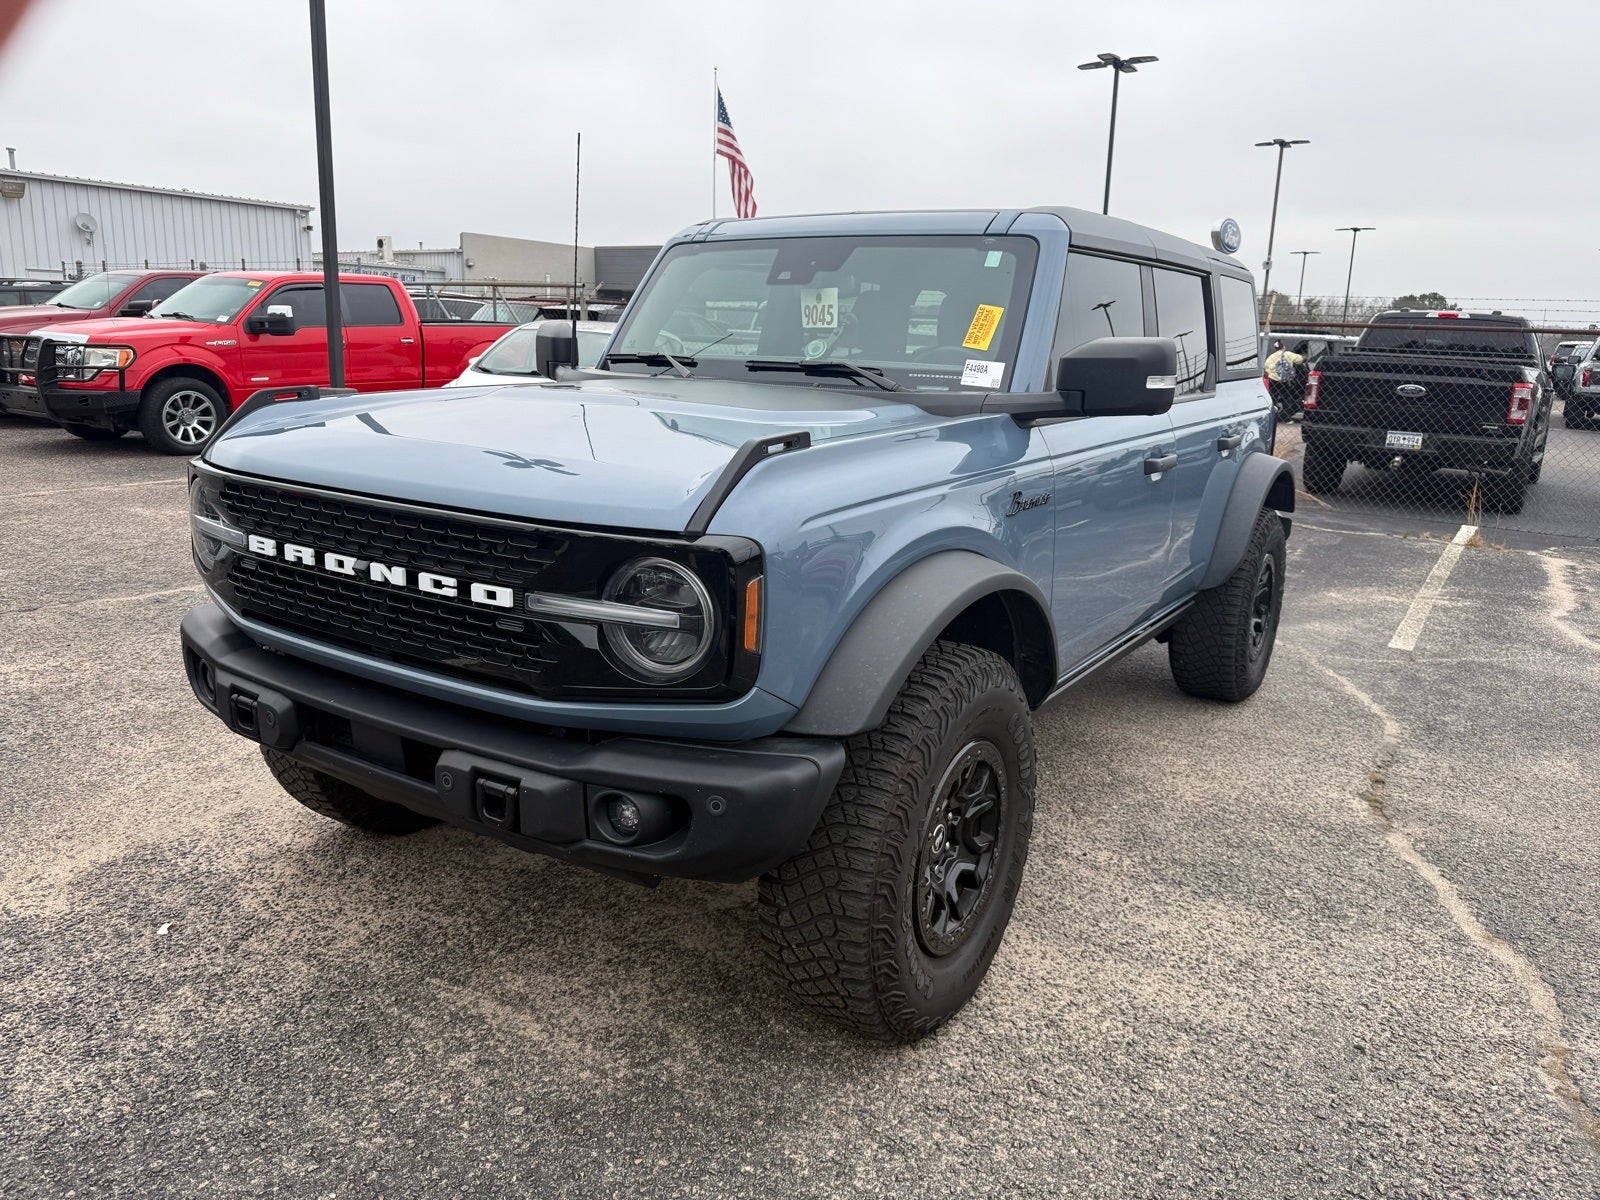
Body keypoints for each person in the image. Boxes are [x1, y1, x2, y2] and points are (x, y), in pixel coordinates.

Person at [1263, 339, 1308, 420]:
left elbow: (1266, 370)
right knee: (1287, 398)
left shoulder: (1271, 357)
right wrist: (1305, 356)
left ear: (1275, 348)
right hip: (1284, 381)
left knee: (1272, 397)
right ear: (1283, 347)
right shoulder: (1288, 354)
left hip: (1273, 381)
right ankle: (1286, 415)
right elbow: (1300, 359)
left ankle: (1271, 413)